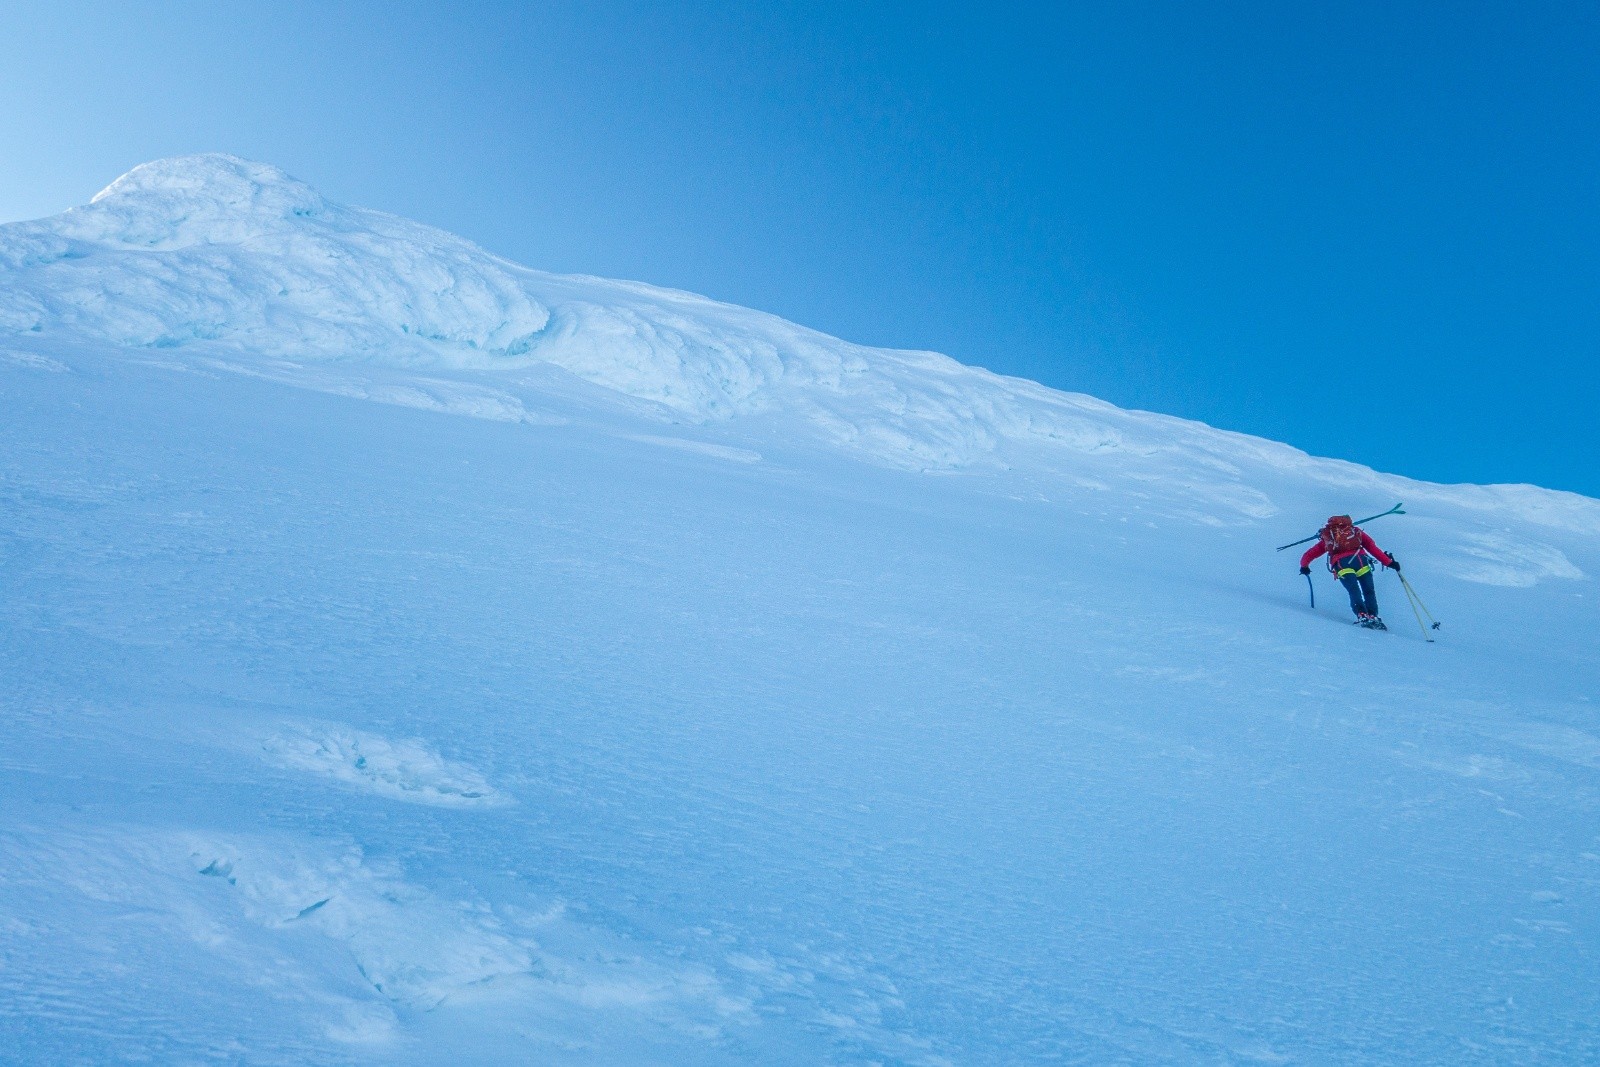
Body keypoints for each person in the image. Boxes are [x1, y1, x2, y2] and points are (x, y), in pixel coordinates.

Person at [1299, 515, 1399, 628]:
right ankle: (1373, 615)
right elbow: (1372, 547)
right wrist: (1388, 562)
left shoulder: (1329, 537)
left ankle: (1361, 614)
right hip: (1361, 562)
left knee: (1353, 590)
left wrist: (1304, 566)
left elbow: (1310, 553)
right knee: (1368, 590)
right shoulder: (1355, 532)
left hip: (1342, 565)